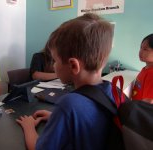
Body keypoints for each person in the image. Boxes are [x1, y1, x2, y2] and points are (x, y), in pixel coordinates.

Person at [16, 13, 117, 150]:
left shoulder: (68, 104)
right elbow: (91, 122)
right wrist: (56, 117)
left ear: (73, 66)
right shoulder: (113, 91)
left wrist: (28, 128)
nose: (53, 66)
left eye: (55, 60)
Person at [132, 34, 153, 103]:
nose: (140, 51)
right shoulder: (145, 69)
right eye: (141, 47)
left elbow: (148, 103)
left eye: (145, 49)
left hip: (140, 111)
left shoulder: (151, 74)